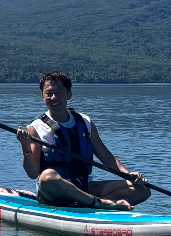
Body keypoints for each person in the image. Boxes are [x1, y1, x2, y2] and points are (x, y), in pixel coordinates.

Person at [15, 70, 149, 210]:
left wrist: (128, 176)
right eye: (48, 93)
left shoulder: (85, 122)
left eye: (59, 93)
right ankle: (101, 204)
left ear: (69, 95)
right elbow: (32, 173)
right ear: (42, 96)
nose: (54, 97)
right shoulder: (36, 128)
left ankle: (89, 202)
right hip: (53, 193)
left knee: (142, 190)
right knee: (48, 176)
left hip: (84, 187)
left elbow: (106, 157)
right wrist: (25, 147)